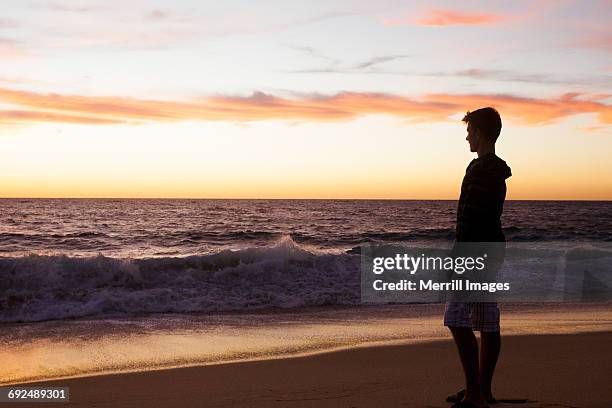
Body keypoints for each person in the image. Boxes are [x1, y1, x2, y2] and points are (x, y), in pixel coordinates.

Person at [444, 107, 512, 408]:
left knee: (456, 319)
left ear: (482, 133)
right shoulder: (492, 169)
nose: (467, 137)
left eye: (470, 131)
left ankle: (475, 394)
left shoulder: (483, 170)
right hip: (490, 251)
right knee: (487, 321)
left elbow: (474, 219)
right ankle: (482, 390)